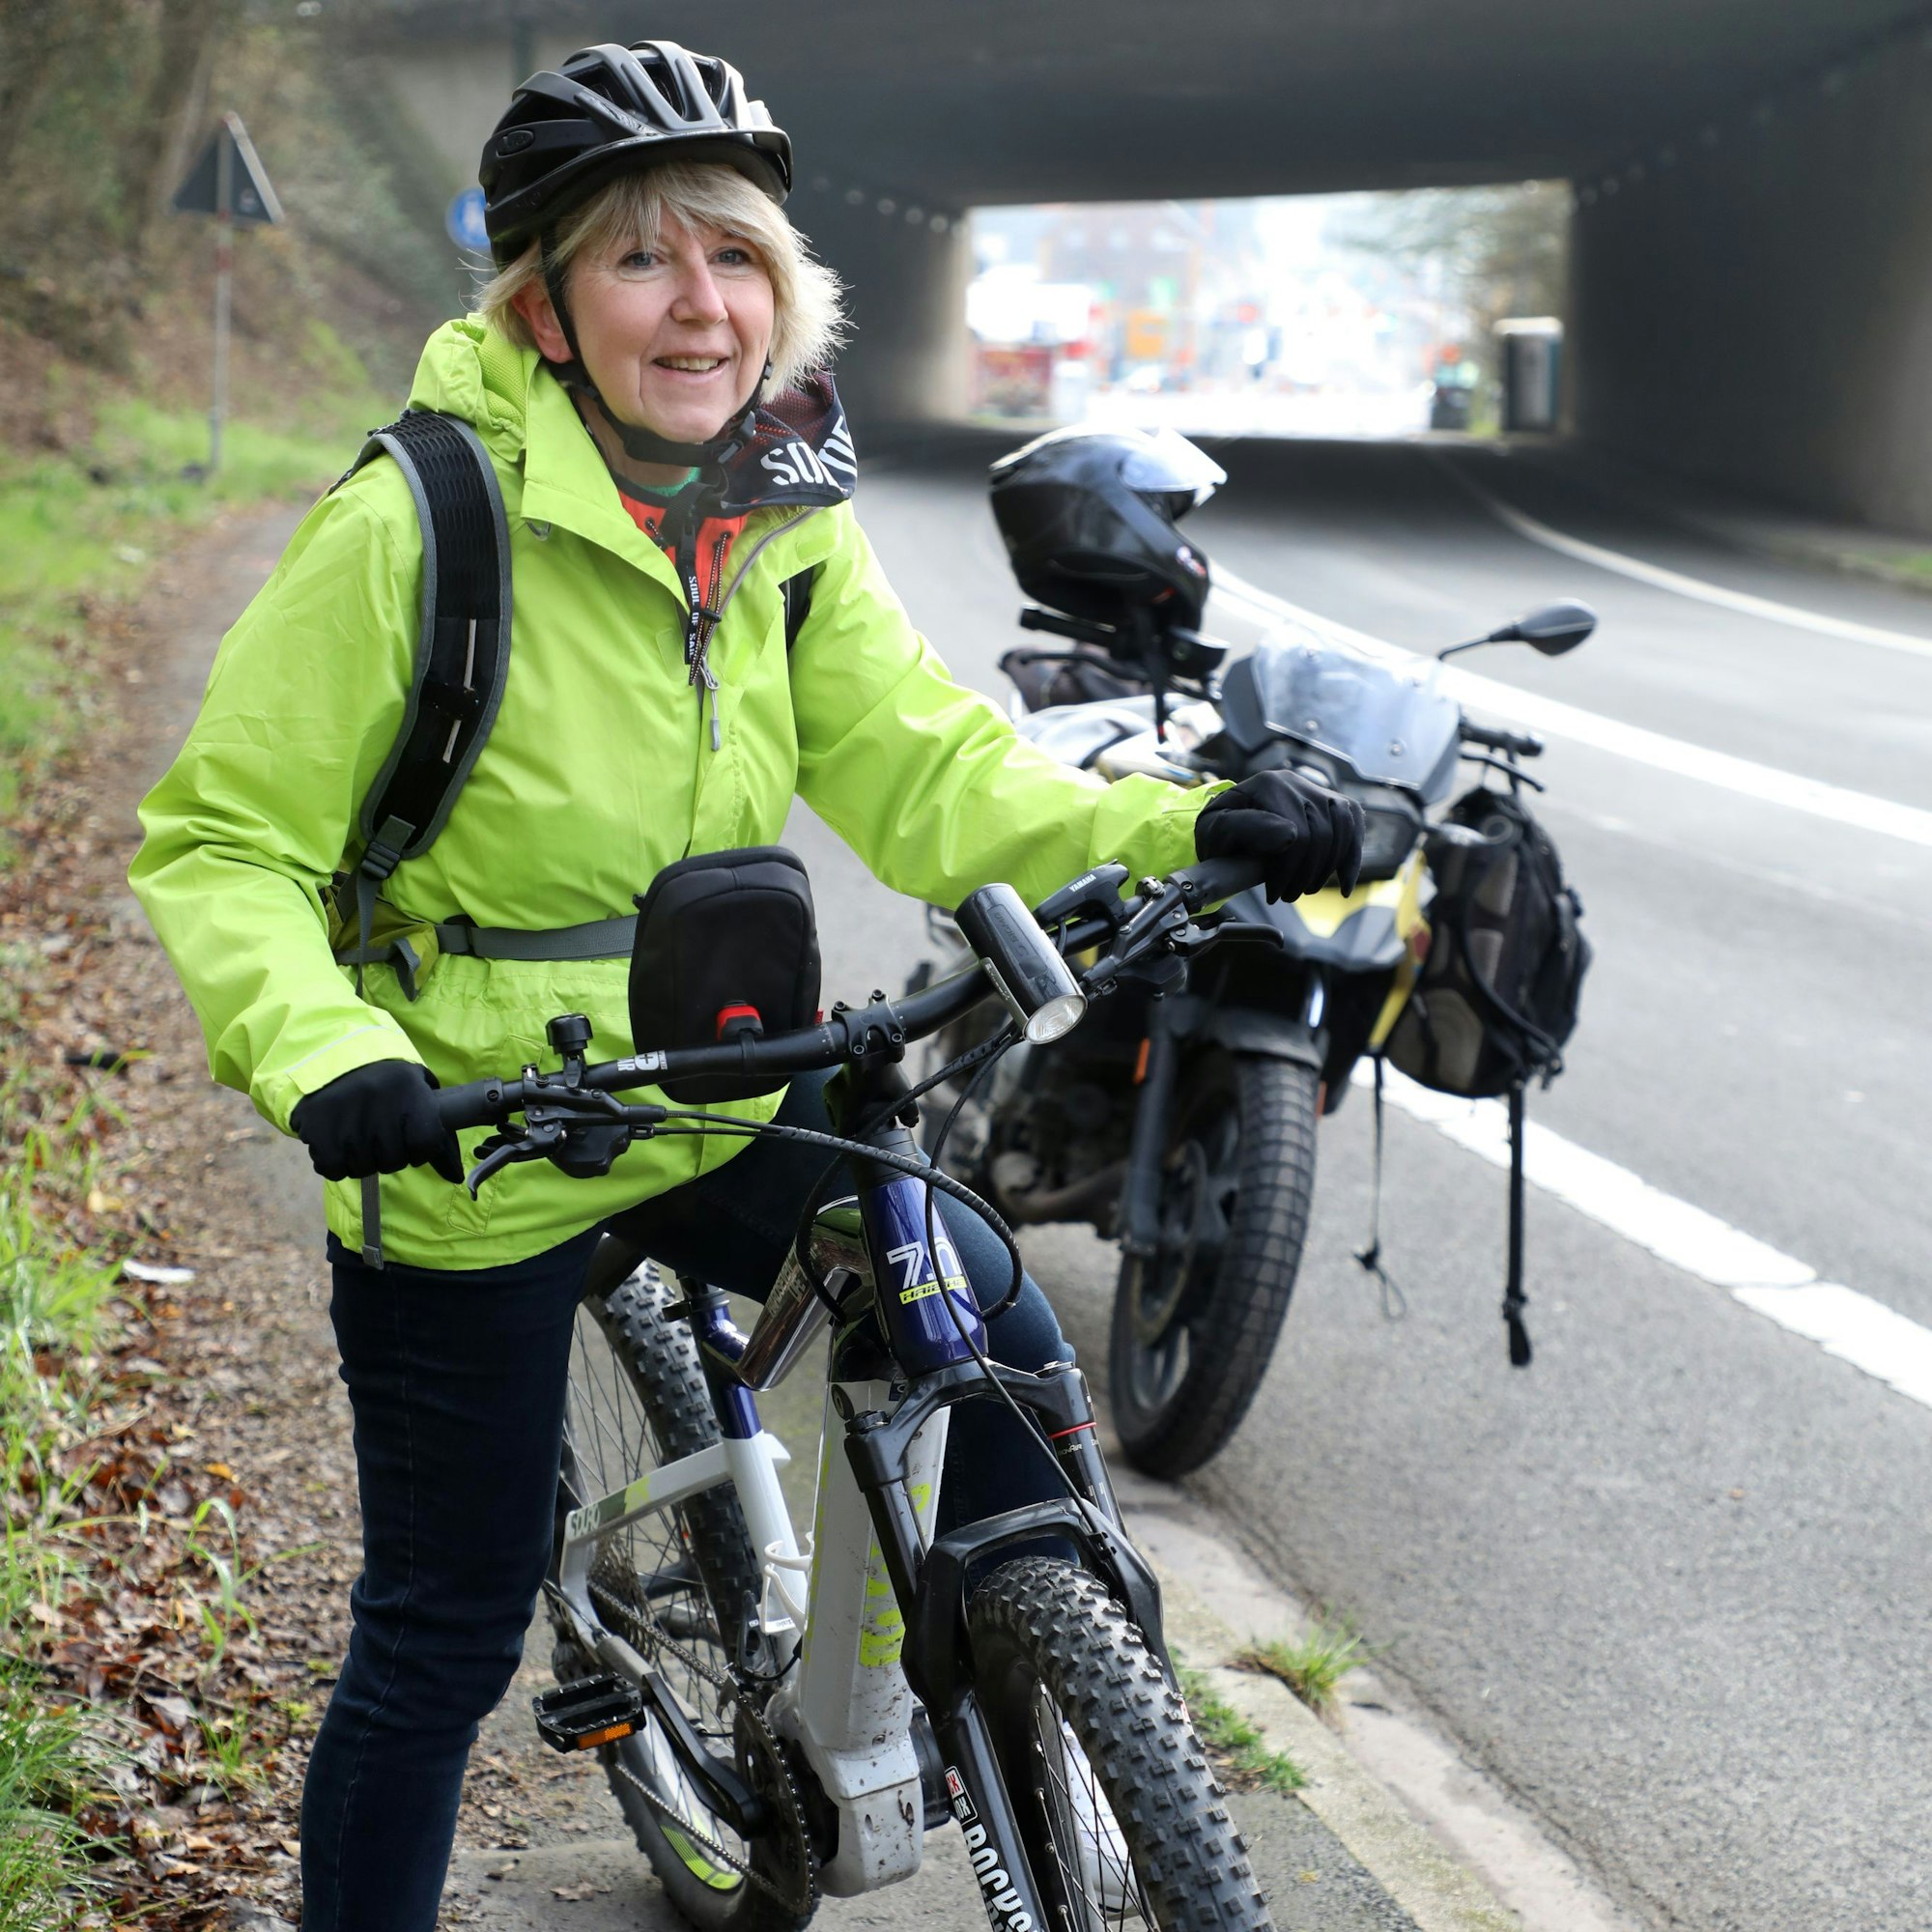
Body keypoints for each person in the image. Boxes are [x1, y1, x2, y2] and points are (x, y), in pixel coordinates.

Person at [128, 40, 1361, 1932]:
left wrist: (1192, 824)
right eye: (638, 260)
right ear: (541, 300)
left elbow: (932, 768)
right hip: (477, 1136)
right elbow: (225, 847)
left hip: (716, 1078)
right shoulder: (419, 529)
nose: (697, 302)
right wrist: (329, 1057)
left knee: (1000, 1335)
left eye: (731, 256)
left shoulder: (777, 519)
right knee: (437, 1642)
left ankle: (1039, 1710)